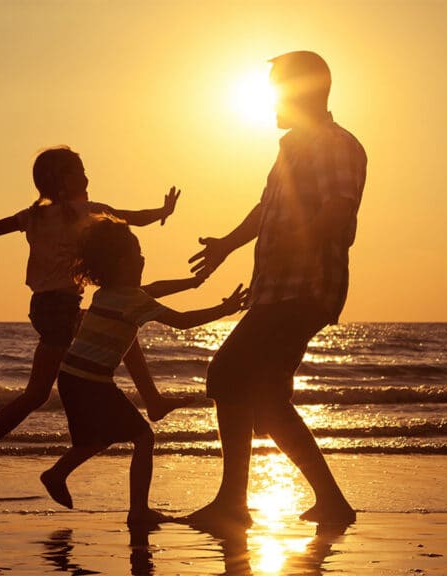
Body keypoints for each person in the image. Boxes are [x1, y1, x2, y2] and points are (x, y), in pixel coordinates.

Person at [0, 146, 195, 491]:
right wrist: (162, 211)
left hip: (45, 307)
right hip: (59, 309)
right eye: (79, 171)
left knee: (84, 357)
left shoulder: (36, 216)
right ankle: (151, 400)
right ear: (60, 181)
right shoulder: (79, 212)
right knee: (62, 373)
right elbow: (128, 217)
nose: (87, 176)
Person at [185, 51, 366, 528]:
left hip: (304, 288)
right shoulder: (292, 149)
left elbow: (339, 210)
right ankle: (330, 502)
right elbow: (266, 208)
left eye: (276, 92)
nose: (269, 103)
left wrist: (296, 242)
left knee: (226, 374)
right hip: (278, 289)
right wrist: (227, 243)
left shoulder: (333, 144)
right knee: (265, 398)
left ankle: (233, 503)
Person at [40, 216, 249, 526]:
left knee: (95, 440)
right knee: (143, 438)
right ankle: (138, 510)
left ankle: (56, 474)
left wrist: (192, 282)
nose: (144, 259)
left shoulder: (107, 293)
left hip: (71, 378)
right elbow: (183, 320)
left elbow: (157, 288)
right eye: (138, 255)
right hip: (92, 383)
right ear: (124, 263)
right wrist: (223, 310)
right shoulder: (134, 300)